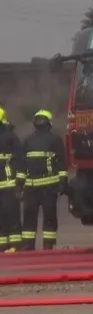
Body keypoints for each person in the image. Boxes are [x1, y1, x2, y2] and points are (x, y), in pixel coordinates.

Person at [19, 109, 66, 250]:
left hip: (31, 189)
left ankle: (28, 247)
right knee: (49, 218)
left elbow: (21, 165)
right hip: (48, 188)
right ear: (49, 123)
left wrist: (19, 185)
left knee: (29, 219)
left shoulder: (27, 140)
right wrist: (63, 183)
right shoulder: (55, 139)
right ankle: (48, 246)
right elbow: (61, 163)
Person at [0, 106, 23, 253]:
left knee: (11, 214)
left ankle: (15, 245)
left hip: (9, 183)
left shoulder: (10, 137)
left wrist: (19, 181)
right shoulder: (10, 136)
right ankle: (3, 245)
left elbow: (20, 158)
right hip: (6, 183)